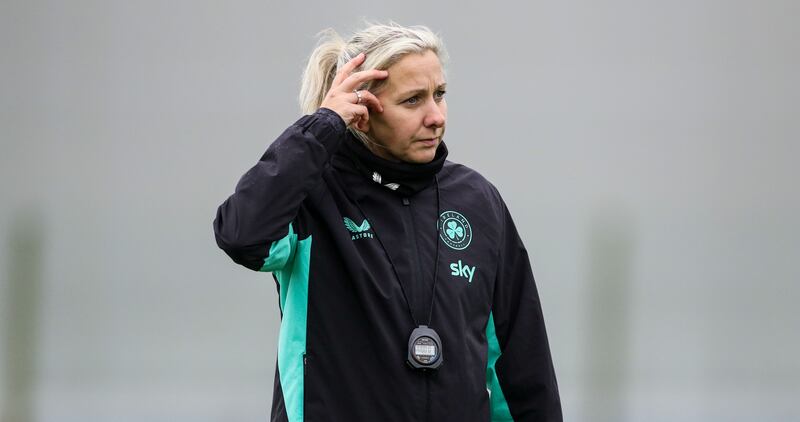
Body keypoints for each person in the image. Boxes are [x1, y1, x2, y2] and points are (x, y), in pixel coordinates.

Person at [213, 22, 562, 422]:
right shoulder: (311, 196)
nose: (436, 117)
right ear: (361, 113)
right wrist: (323, 125)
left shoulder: (478, 201)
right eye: (413, 101)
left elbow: (522, 368)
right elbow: (242, 235)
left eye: (440, 95)